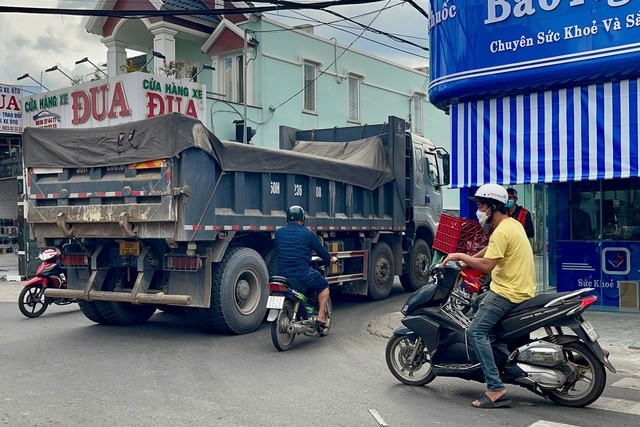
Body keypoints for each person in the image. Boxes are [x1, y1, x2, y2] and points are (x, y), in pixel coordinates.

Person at [440, 184, 536, 409]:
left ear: (493, 207)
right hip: (521, 288)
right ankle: (499, 360)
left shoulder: (502, 230)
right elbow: (492, 250)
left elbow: (486, 264)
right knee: (476, 302)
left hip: (507, 292)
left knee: (475, 331)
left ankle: (495, 387)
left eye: (481, 205)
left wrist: (459, 254)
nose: (478, 210)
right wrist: (466, 261)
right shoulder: (511, 225)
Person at [275, 205, 338, 324]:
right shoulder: (308, 233)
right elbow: (322, 252)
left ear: (287, 218)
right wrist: (330, 259)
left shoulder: (279, 233)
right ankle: (320, 316)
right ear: (302, 219)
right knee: (324, 285)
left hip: (283, 275)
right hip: (302, 274)